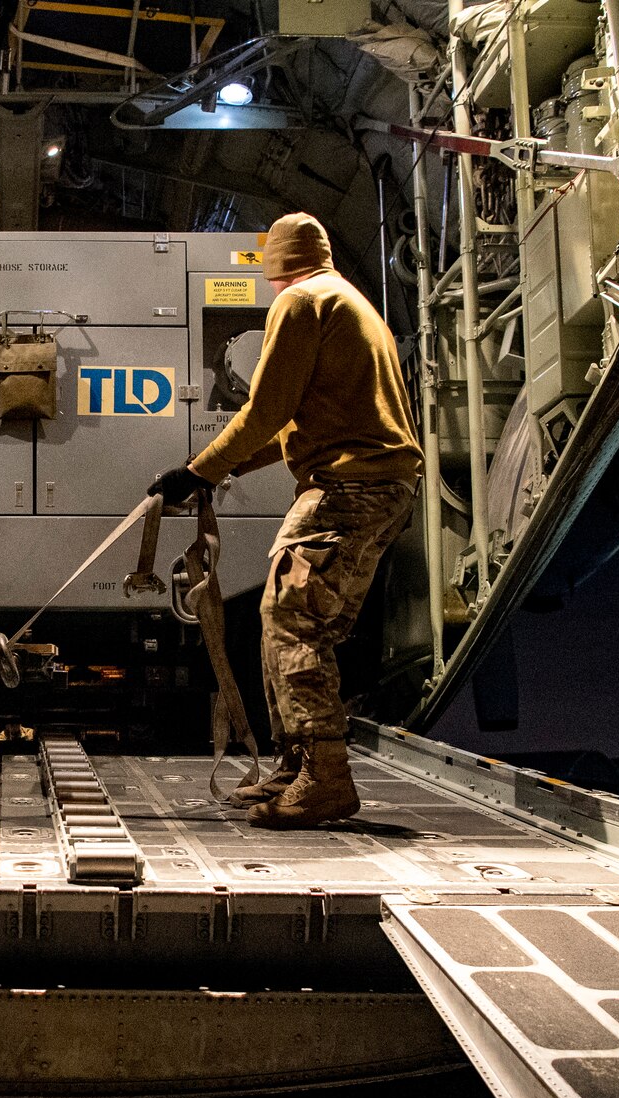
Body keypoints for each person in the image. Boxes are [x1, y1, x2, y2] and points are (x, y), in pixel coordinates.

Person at [149, 212, 421, 829]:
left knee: (293, 617)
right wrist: (223, 472)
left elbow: (265, 410)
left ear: (276, 265)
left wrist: (198, 472)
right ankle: (296, 765)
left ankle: (325, 777)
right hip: (377, 484)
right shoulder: (349, 300)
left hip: (349, 485)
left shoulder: (300, 302)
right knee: (292, 613)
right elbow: (302, 418)